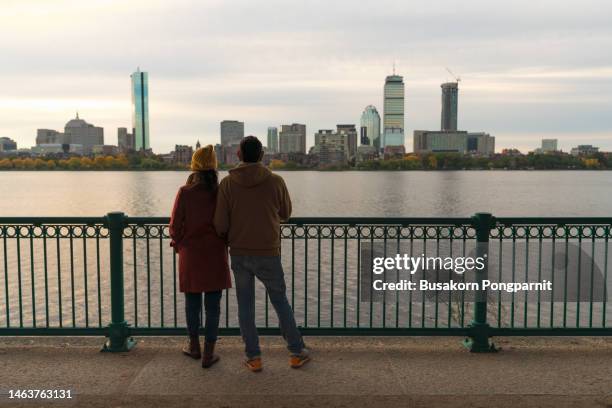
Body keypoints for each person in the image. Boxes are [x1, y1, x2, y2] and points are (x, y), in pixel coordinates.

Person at [214, 136, 310, 372]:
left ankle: (254, 357)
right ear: (262, 155)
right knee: (280, 301)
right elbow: (286, 213)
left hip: (239, 251)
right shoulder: (276, 181)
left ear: (238, 155)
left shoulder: (227, 184)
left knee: (245, 305)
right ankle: (296, 352)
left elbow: (220, 223)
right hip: (268, 251)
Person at [169, 145, 231, 368]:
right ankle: (209, 353)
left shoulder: (185, 192)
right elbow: (227, 224)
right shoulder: (221, 192)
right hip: (215, 253)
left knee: (192, 303)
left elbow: (174, 226)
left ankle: (194, 346)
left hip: (191, 254)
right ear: (214, 166)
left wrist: (178, 244)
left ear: (194, 167)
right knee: (213, 306)